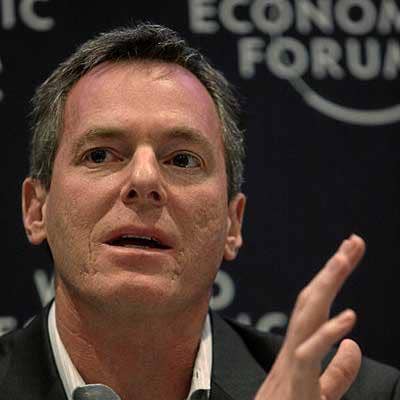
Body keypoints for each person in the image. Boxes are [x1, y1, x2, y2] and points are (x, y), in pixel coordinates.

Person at [0, 23, 398, 400]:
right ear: (36, 209)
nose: (144, 180)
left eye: (183, 160)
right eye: (100, 155)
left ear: (232, 223)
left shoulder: (355, 393)